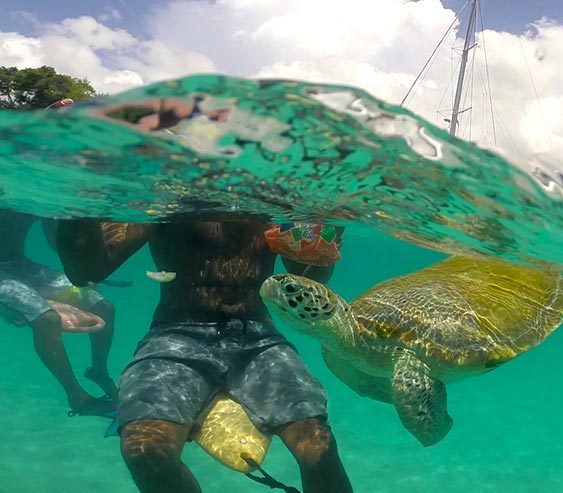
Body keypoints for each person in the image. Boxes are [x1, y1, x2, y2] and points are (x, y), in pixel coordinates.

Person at [56, 97, 353, 493]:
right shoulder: (164, 196)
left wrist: (329, 225)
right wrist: (78, 179)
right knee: (146, 452)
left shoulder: (271, 200)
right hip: (176, 335)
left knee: (319, 449)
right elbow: (86, 269)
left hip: (259, 339)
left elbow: (309, 275)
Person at [0, 209, 118, 415]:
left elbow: (56, 241)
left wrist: (86, 269)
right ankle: (77, 396)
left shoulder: (36, 193)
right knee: (48, 319)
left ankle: (98, 371)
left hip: (20, 265)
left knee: (104, 307)